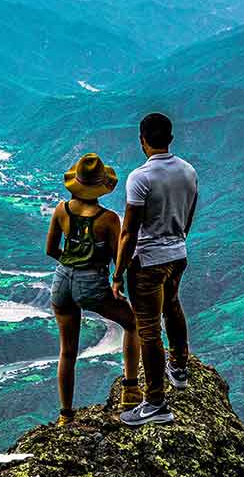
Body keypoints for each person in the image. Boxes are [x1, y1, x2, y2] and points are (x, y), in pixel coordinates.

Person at [112, 113, 198, 427]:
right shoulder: (188, 171)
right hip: (178, 254)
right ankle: (179, 366)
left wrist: (118, 271)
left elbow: (129, 231)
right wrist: (178, 239)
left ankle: (156, 403)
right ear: (170, 139)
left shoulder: (140, 177)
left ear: (142, 140)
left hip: (147, 261)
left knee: (148, 331)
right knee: (172, 306)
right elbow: (189, 214)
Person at [46, 152, 142, 426]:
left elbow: (51, 249)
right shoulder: (108, 219)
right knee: (132, 323)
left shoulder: (61, 210)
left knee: (67, 351)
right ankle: (131, 389)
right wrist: (116, 279)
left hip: (62, 280)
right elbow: (118, 259)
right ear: (101, 186)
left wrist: (71, 262)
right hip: (91, 283)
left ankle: (65, 415)